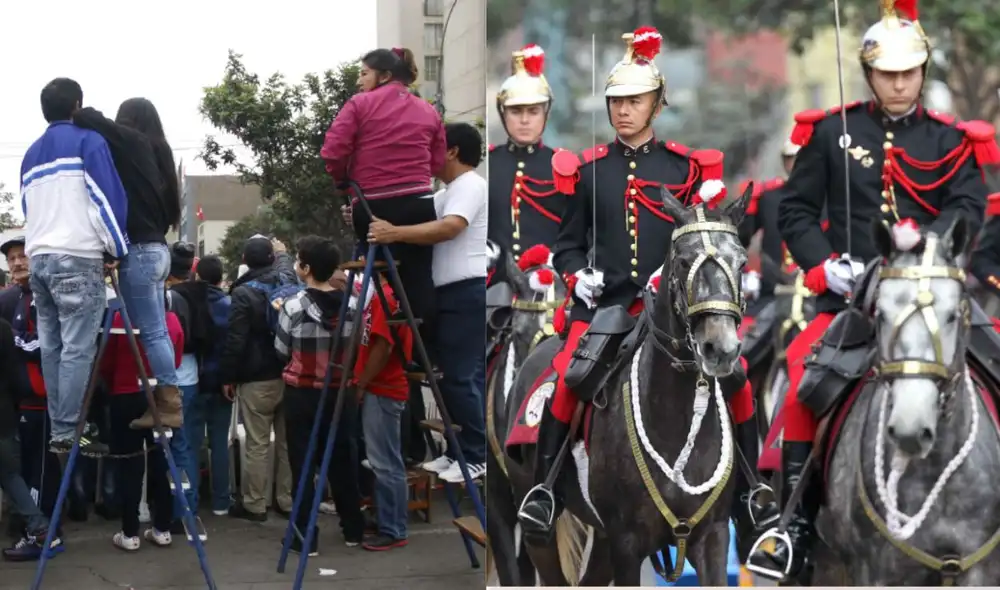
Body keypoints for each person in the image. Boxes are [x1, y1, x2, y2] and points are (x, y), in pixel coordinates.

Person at [747, 4, 998, 579]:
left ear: (923, 71)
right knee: (803, 376)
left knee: (998, 361)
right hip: (854, 299)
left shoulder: (948, 139)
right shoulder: (834, 133)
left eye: (909, 72)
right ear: (869, 74)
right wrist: (824, 264)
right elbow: (796, 210)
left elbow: (969, 203)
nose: (899, 82)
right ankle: (794, 526)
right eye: (888, 73)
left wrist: (930, 241)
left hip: (935, 293)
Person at [517, 27, 771, 548]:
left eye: (634, 101)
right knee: (569, 375)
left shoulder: (682, 168)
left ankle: (750, 490)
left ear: (656, 105)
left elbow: (700, 235)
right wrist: (576, 275)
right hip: (608, 307)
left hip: (675, 308)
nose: (623, 111)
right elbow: (567, 244)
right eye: (616, 102)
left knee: (739, 378)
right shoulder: (590, 172)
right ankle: (543, 488)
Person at [368, 121, 488, 484]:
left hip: (467, 289)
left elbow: (449, 227)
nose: (428, 156)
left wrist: (395, 232)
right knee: (447, 376)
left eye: (434, 147)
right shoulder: (448, 190)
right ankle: (456, 450)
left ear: (452, 151)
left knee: (460, 377)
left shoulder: (470, 185)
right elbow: (415, 211)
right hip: (449, 292)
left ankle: (476, 454)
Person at [22, 77, 128, 455]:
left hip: (40, 257)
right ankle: (67, 432)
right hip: (77, 256)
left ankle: (60, 428)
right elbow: (105, 199)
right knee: (78, 349)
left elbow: (27, 209)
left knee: (51, 345)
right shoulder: (89, 141)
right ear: (77, 105)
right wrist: (117, 247)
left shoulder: (31, 154)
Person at [323, 47, 447, 353]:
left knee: (383, 276)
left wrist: (343, 183)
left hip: (372, 207)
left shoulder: (359, 104)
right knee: (418, 278)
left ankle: (382, 342)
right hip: (419, 204)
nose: (359, 81)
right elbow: (437, 159)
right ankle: (425, 354)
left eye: (364, 73)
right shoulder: (428, 110)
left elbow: (333, 152)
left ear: (385, 75)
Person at [72, 98, 184, 430]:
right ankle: (166, 401)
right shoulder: (159, 153)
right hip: (159, 251)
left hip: (139, 253)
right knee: (157, 329)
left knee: (151, 331)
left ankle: (169, 404)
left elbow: (92, 119)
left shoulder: (133, 142)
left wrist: (73, 108)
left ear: (128, 120)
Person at [276, 236, 365, 553]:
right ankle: (353, 529)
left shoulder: (293, 306)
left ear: (306, 268)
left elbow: (282, 349)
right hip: (341, 394)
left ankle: (304, 538)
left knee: (302, 464)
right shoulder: (354, 305)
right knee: (343, 459)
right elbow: (359, 346)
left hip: (302, 394)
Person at [221, 235, 296, 522]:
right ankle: (286, 500)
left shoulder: (242, 293)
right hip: (289, 371)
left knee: (257, 443)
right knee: (287, 443)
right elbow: (287, 266)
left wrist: (228, 376)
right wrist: (284, 252)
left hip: (256, 378)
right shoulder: (287, 283)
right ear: (272, 259)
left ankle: (255, 503)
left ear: (243, 261)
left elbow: (236, 339)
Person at [99, 291, 182, 551]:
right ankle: (162, 528)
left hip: (125, 395)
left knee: (130, 466)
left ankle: (130, 531)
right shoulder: (171, 321)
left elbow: (105, 361)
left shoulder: (118, 320)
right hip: (162, 398)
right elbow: (175, 359)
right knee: (162, 463)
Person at [488, 44, 566, 274]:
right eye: (515, 111)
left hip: (549, 282)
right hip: (495, 282)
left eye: (533, 112)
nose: (524, 120)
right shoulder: (488, 163)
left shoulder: (562, 166)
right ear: (503, 114)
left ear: (546, 113)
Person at [0, 316, 63, 561]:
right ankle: (41, 529)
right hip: (5, 416)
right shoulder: (4, 329)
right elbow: (17, 379)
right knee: (11, 476)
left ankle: (39, 529)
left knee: (11, 476)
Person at [186, 255, 235, 516]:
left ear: (198, 276)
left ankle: (191, 501)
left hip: (194, 381)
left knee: (192, 444)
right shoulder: (230, 305)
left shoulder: (188, 304)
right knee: (219, 443)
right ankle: (221, 501)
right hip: (222, 384)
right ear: (220, 277)